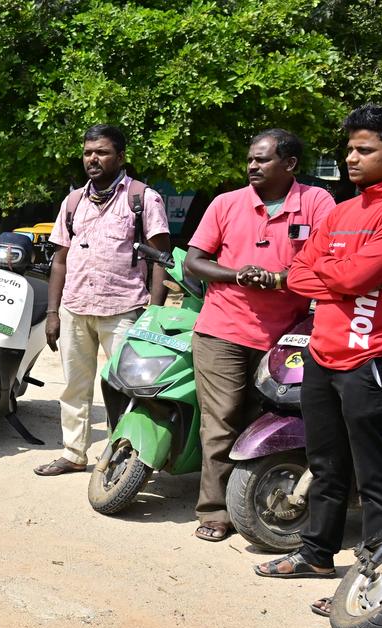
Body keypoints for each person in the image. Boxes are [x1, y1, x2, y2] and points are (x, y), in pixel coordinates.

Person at [255, 105, 382, 619]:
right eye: (350, 148)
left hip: (368, 359)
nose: (351, 157)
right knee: (327, 465)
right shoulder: (341, 211)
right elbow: (297, 272)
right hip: (322, 356)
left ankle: (372, 581)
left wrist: (331, 272)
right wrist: (338, 271)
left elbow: (353, 281)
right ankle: (315, 556)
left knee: (375, 476)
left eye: (365, 149)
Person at [182, 129, 335, 542]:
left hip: (288, 336)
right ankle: (214, 511)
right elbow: (195, 261)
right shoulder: (226, 203)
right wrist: (238, 274)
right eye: (250, 159)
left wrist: (281, 280)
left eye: (263, 160)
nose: (252, 166)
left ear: (289, 165)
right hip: (222, 330)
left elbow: (324, 263)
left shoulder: (317, 202)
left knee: (266, 421)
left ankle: (250, 503)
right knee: (222, 421)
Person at [35, 124, 171, 476]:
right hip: (75, 307)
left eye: (102, 152)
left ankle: (120, 459)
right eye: (88, 153)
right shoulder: (73, 201)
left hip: (124, 308)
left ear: (121, 157)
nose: (93, 159)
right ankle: (73, 453)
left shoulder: (142, 198)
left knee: (125, 389)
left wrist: (152, 314)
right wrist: (53, 312)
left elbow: (161, 260)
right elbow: (60, 260)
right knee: (74, 386)